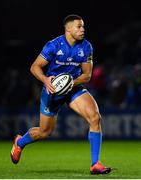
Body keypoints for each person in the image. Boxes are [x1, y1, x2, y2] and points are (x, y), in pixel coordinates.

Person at [10, 14, 111, 175]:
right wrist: (45, 80)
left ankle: (95, 164)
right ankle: (20, 142)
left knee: (95, 117)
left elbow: (87, 75)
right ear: (68, 28)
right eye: (79, 26)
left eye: (83, 26)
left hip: (74, 88)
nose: (83, 29)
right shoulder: (53, 46)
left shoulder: (86, 47)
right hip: (52, 91)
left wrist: (71, 82)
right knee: (44, 132)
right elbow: (35, 67)